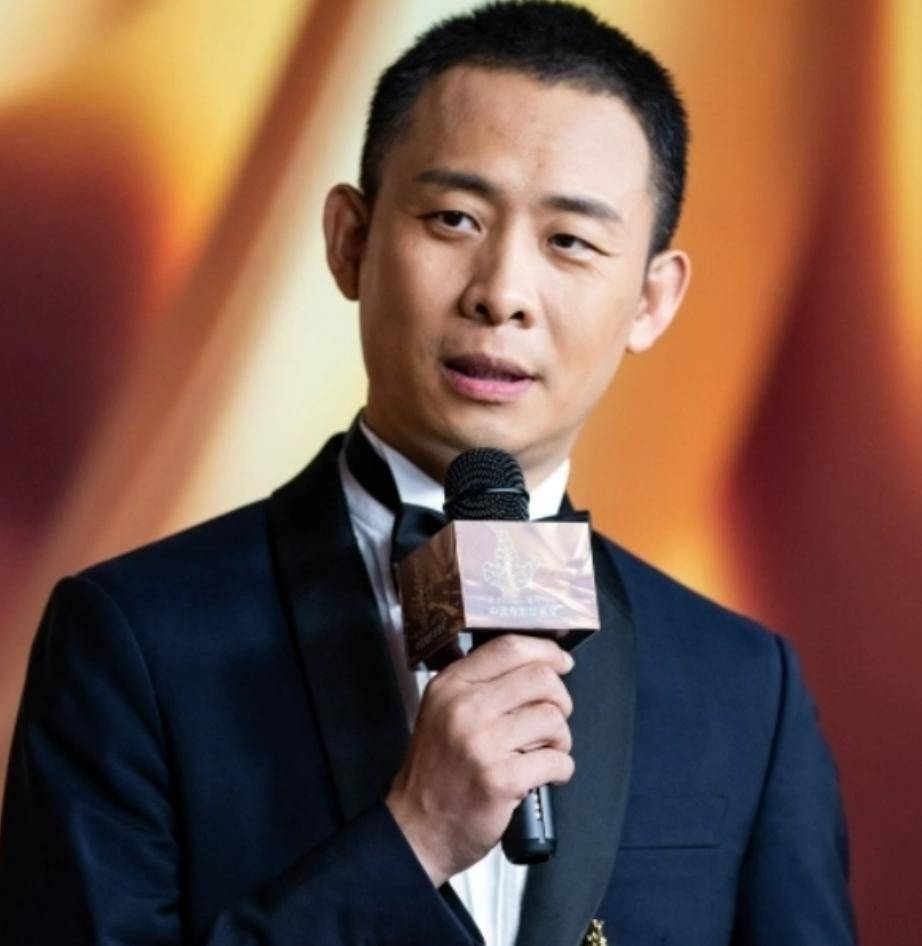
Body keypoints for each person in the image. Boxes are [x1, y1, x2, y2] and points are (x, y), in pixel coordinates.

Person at [0, 3, 856, 944]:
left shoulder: (745, 688)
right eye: (455, 219)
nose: (502, 293)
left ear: (652, 300)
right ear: (350, 241)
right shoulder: (130, 639)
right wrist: (413, 838)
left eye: (570, 240)